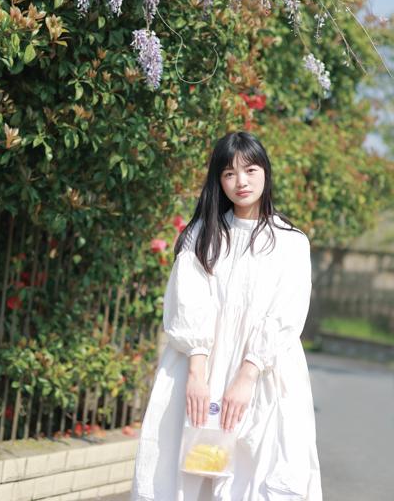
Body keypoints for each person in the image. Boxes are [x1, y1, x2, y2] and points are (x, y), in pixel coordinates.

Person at [131, 131, 323, 500]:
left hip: (265, 375)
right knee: (191, 470)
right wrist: (197, 375)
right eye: (229, 173)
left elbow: (285, 314)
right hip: (200, 371)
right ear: (218, 180)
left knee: (260, 474)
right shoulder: (202, 235)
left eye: (250, 170)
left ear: (265, 172)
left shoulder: (291, 242)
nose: (241, 182)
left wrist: (247, 376)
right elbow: (188, 305)